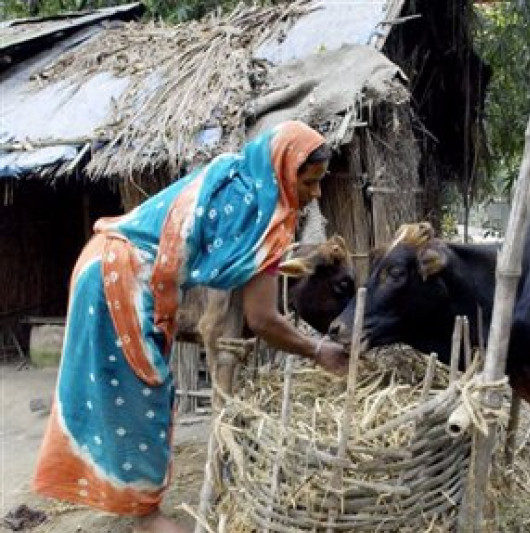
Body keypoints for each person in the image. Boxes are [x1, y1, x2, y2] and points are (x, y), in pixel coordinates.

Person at [32, 120, 348, 533]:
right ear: (285, 170)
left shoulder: (239, 178)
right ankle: (146, 517)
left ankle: (131, 502)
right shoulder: (264, 217)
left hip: (105, 262)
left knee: (131, 394)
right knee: (142, 394)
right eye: (310, 182)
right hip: (119, 279)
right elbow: (263, 319)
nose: (316, 193)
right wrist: (318, 351)